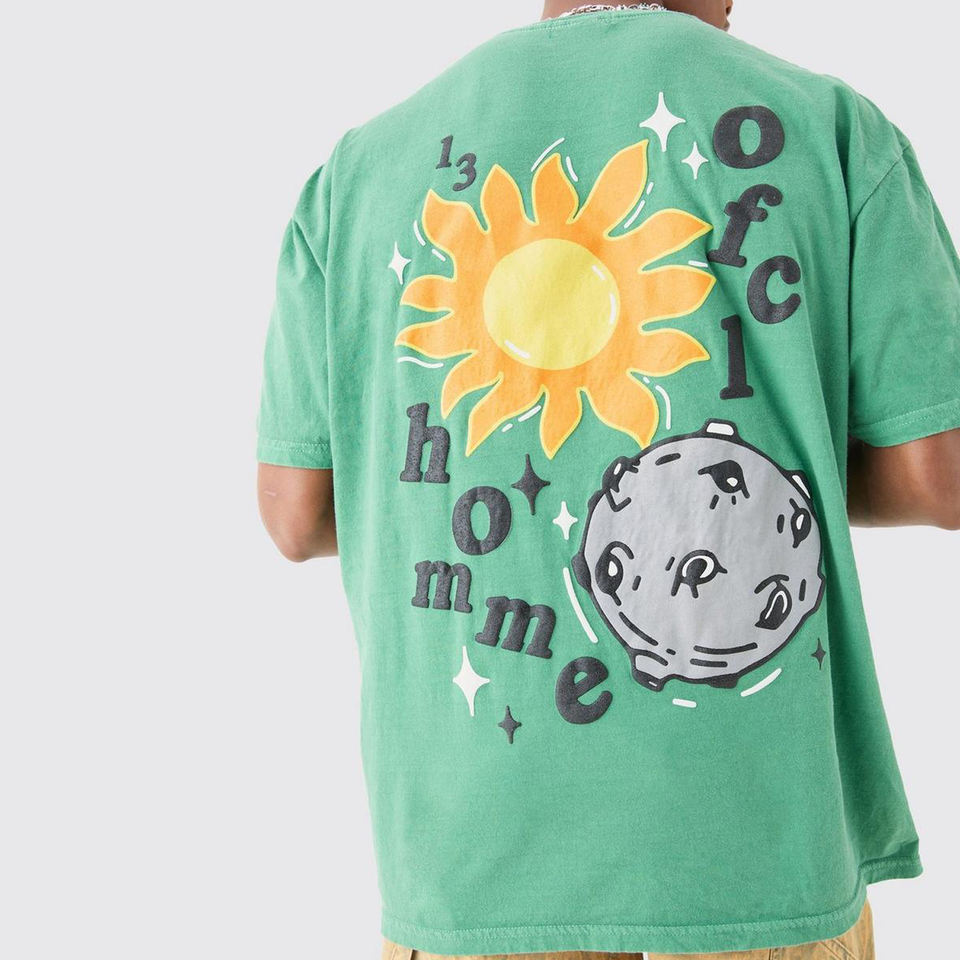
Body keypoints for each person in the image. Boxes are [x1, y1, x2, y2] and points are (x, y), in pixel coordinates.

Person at [256, 1, 960, 957]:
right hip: (751, 850)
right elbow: (938, 475)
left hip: (471, 865)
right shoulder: (832, 129)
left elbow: (296, 514)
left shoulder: (361, 170)